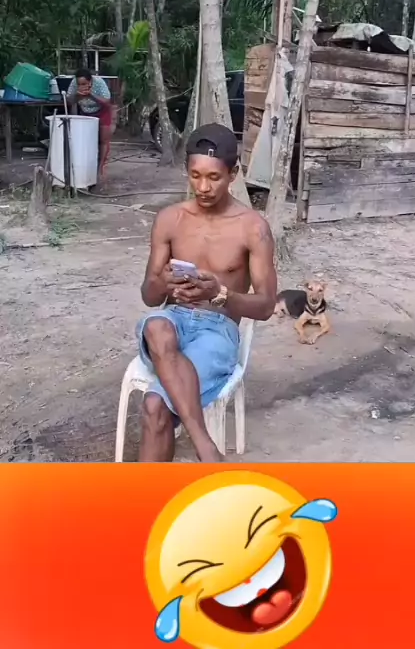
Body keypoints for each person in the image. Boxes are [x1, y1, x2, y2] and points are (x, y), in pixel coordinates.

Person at [136, 122, 277, 463]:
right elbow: (150, 297)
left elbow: (266, 306)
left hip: (218, 329)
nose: (203, 187)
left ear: (233, 174)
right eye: (195, 176)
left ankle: (154, 490)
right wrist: (164, 282)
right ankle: (205, 446)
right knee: (156, 325)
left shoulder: (253, 228)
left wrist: (221, 294)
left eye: (214, 177)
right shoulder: (170, 219)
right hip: (172, 321)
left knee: (155, 406)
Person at [67, 68, 112, 178]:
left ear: (90, 81)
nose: (81, 86)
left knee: (103, 140)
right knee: (86, 141)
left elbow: (107, 101)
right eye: (79, 84)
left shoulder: (99, 82)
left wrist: (90, 95)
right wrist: (78, 95)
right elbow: (69, 100)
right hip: (85, 112)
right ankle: (86, 166)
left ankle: (101, 168)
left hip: (102, 112)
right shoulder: (74, 83)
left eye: (84, 84)